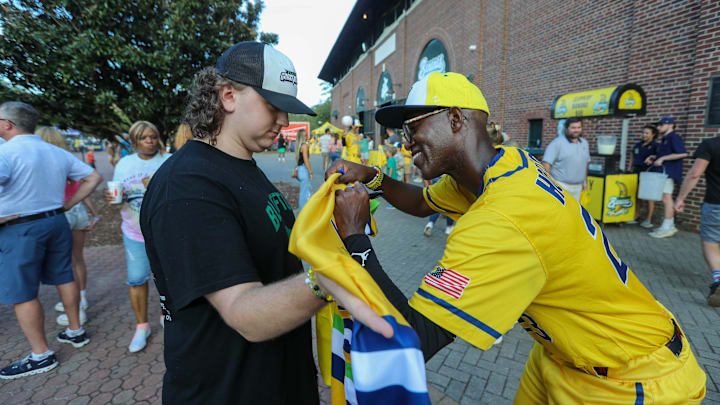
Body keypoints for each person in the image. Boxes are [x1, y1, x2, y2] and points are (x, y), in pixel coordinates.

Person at [321, 72, 706, 404]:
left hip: (630, 377)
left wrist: (355, 236)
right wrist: (372, 176)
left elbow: (411, 342)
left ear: (455, 118)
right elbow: (422, 203)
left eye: (413, 127)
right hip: (561, 356)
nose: (405, 143)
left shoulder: (503, 217)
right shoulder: (500, 164)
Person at [139, 42, 325, 404]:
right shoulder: (186, 187)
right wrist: (331, 279)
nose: (284, 122)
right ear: (228, 96)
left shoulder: (242, 165)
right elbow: (245, 313)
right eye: (273, 106)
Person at [0, 102, 102, 379]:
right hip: (55, 220)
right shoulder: (55, 150)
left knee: (22, 291)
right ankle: (75, 330)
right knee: (64, 274)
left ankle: (41, 354)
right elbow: (93, 177)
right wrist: (68, 205)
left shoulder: (5, 152)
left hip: (20, 226)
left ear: (7, 124)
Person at [106, 120, 170, 353]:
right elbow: (118, 195)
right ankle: (142, 326)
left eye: (153, 136)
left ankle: (167, 315)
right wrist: (115, 198)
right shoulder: (124, 164)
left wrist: (155, 187)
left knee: (168, 276)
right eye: (144, 138)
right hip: (134, 232)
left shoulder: (166, 161)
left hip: (163, 232)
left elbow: (176, 196)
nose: (150, 141)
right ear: (135, 141)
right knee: (136, 279)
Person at [38, 126, 100, 326]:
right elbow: (86, 186)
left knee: (64, 263)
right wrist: (94, 213)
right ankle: (81, 298)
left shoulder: (38, 162)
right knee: (78, 259)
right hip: (76, 210)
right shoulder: (66, 159)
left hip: (57, 213)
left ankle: (74, 309)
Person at [674, 135, 720, 307]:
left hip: (716, 204)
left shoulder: (710, 145)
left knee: (711, 242)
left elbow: (695, 174)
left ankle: (718, 280)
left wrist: (680, 198)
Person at [645, 117, 688, 238]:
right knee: (665, 197)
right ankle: (668, 225)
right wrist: (654, 157)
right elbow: (665, 154)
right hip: (663, 173)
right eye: (658, 125)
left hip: (669, 173)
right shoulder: (665, 139)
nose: (658, 127)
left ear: (671, 125)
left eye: (661, 125)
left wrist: (662, 159)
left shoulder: (674, 137)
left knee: (666, 197)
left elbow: (683, 153)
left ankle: (668, 227)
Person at [542, 117, 590, 202]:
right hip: (560, 186)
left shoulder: (584, 143)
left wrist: (585, 182)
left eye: (579, 127)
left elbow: (585, 163)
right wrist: (549, 185)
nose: (576, 130)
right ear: (567, 129)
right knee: (558, 213)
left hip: (578, 187)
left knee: (574, 213)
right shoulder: (557, 143)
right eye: (573, 128)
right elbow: (546, 164)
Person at [631, 125, 659, 228]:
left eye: (647, 133)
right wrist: (630, 168)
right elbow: (633, 156)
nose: (644, 135)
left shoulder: (656, 146)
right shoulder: (638, 145)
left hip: (649, 173)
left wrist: (653, 157)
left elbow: (659, 157)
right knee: (637, 195)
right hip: (637, 171)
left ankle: (648, 219)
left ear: (653, 135)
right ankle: (636, 216)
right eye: (643, 133)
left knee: (649, 197)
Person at [295, 129, 313, 211]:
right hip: (303, 170)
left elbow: (299, 160)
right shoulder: (305, 146)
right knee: (305, 193)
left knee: (303, 192)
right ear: (303, 136)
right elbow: (306, 160)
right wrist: (310, 172)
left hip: (300, 169)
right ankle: (304, 212)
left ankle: (303, 211)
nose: (307, 136)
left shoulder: (299, 146)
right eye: (305, 135)